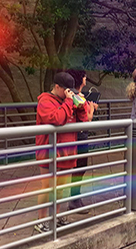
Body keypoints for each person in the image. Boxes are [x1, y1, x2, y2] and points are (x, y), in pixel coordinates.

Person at [34, 72, 78, 233]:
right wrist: (68, 102)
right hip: (49, 150)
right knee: (48, 186)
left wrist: (80, 105)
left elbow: (83, 119)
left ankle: (57, 217)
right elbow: (57, 118)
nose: (68, 93)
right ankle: (42, 220)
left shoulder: (67, 100)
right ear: (57, 87)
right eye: (65, 89)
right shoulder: (45, 101)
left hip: (66, 150)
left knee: (61, 187)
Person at [67, 69, 98, 213]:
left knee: (77, 167)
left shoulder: (73, 95)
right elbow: (87, 118)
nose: (86, 79)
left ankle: (74, 198)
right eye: (85, 77)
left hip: (75, 135)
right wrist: (92, 109)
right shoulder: (78, 96)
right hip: (80, 136)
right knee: (80, 167)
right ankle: (74, 199)